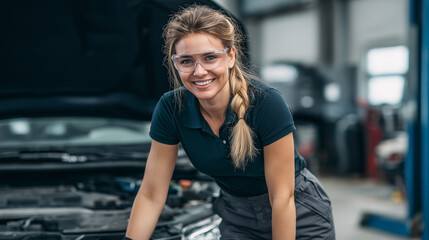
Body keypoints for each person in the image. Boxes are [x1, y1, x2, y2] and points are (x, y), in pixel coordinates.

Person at [125, 4, 335, 240]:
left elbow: (282, 198)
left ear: (231, 56)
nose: (199, 71)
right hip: (237, 216)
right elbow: (152, 193)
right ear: (174, 64)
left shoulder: (266, 104)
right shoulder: (171, 108)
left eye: (210, 57)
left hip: (298, 212)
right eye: (186, 61)